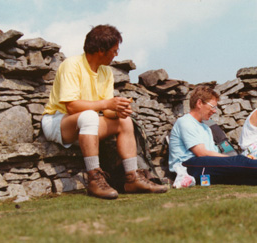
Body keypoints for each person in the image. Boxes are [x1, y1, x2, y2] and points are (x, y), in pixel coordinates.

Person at [41, 24, 168, 199]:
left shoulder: (106, 72)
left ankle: (132, 178)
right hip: (58, 122)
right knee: (89, 116)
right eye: (114, 50)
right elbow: (71, 107)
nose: (116, 54)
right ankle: (94, 179)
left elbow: (106, 110)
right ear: (101, 50)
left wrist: (117, 111)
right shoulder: (72, 65)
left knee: (125, 121)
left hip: (86, 124)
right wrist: (107, 103)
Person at [168, 85, 257, 186]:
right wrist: (232, 159)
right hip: (189, 165)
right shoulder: (185, 122)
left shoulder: (206, 128)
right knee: (240, 161)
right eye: (213, 107)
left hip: (204, 165)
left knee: (248, 178)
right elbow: (202, 153)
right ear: (199, 103)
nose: (214, 111)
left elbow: (210, 154)